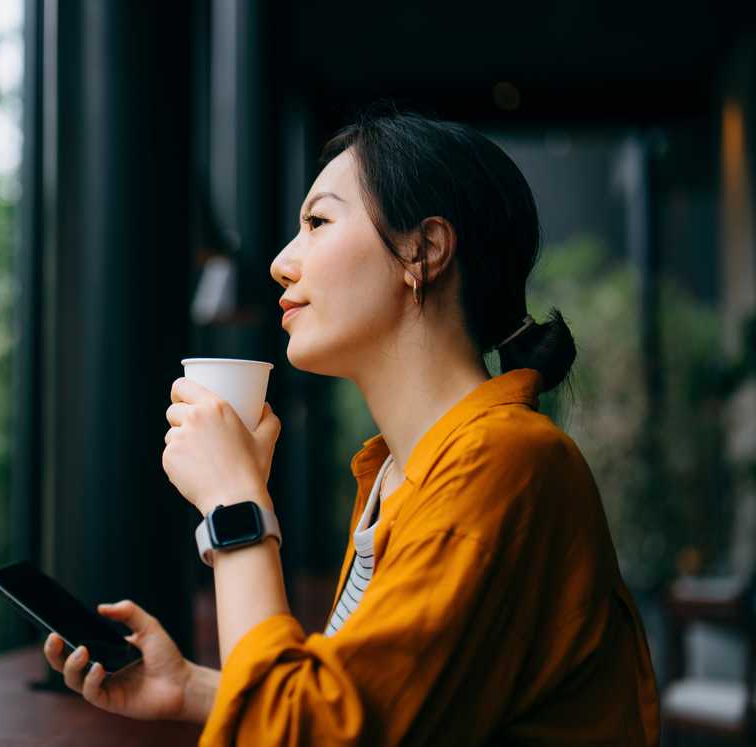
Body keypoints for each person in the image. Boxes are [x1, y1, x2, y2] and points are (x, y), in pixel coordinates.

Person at [41, 102, 662, 746]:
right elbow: (374, 714)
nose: (283, 261)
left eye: (317, 221)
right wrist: (193, 689)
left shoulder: (503, 461)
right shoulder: (399, 471)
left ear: (422, 251)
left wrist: (234, 504)